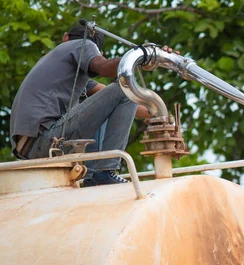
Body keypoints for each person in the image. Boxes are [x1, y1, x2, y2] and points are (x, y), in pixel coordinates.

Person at [9, 23, 172, 186]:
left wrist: (162, 115)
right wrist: (142, 56)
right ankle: (104, 171)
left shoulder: (61, 71)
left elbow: (129, 103)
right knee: (124, 87)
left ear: (65, 37)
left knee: (114, 99)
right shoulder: (83, 44)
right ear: (98, 52)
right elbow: (106, 70)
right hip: (45, 140)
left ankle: (95, 176)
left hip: (30, 147)